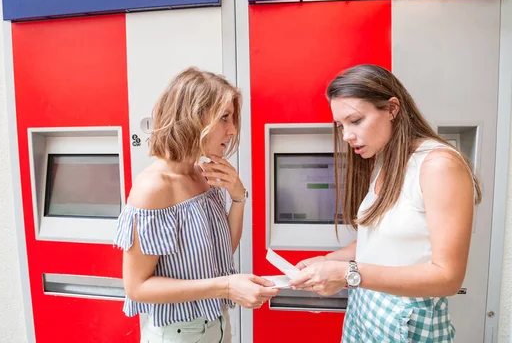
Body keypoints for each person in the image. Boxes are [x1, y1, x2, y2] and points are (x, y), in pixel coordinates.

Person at [288, 64, 481, 342]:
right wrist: (326, 262)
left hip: (408, 321)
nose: (346, 136)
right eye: (340, 126)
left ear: (392, 109)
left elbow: (448, 277)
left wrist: (346, 273)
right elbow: (377, 239)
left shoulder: (439, 165)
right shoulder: (382, 158)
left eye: (355, 121)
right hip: (365, 310)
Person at [115, 67, 279, 343]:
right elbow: (136, 287)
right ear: (193, 118)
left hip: (217, 325)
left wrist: (238, 198)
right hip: (178, 334)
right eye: (224, 118)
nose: (233, 129)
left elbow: (222, 250)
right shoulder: (153, 188)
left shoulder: (202, 173)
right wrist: (226, 286)